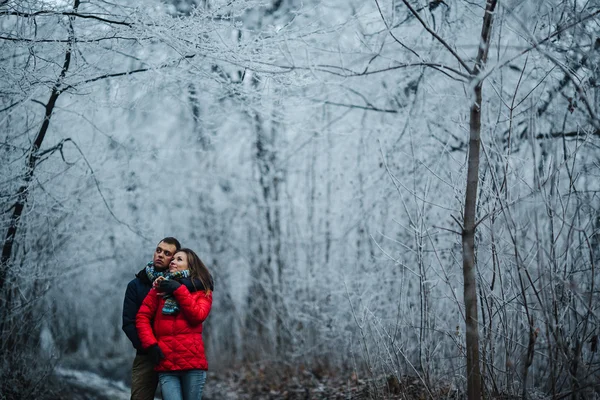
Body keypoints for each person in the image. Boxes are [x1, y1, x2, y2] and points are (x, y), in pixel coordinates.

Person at [136, 248, 214, 400]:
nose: (173, 261)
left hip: (193, 364)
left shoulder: (203, 291)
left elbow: (197, 316)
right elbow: (142, 317)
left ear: (190, 266)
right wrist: (151, 345)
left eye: (179, 259)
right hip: (166, 363)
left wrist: (178, 289)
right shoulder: (159, 288)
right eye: (173, 259)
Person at [122, 237, 181, 400]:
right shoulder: (135, 285)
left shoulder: (181, 284)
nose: (160, 255)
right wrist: (149, 348)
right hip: (145, 355)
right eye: (158, 250)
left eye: (167, 253)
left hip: (174, 355)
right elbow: (128, 323)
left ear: (174, 259)